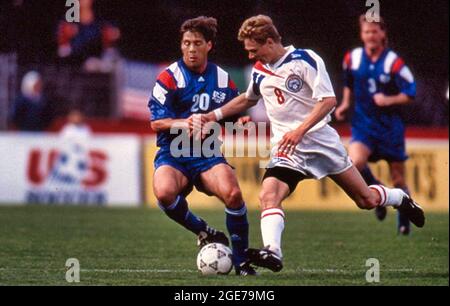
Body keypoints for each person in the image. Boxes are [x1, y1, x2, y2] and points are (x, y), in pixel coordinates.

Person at [201, 15, 425, 272]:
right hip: (288, 151)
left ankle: (400, 198)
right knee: (269, 195)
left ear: (270, 41)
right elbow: (248, 99)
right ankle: (273, 252)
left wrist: (299, 130)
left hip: (321, 144)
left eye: (254, 50)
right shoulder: (260, 71)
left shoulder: (306, 60)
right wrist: (215, 115)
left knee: (366, 200)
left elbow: (328, 101)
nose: (251, 57)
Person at [148, 16, 255, 275]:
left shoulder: (221, 78)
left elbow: (230, 116)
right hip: (174, 153)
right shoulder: (169, 77)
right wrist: (187, 123)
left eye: (197, 43)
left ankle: (241, 262)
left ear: (209, 45)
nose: (191, 49)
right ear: (181, 45)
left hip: (207, 154)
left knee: (233, 194)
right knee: (163, 192)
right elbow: (157, 124)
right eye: (186, 43)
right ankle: (203, 230)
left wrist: (240, 121)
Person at [334, 15, 416, 235]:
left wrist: (389, 99)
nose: (370, 35)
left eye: (374, 31)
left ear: (382, 34)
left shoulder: (393, 62)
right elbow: (349, 83)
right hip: (363, 125)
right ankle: (378, 195)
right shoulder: (352, 58)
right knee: (354, 163)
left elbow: (411, 92)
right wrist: (344, 104)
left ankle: (403, 219)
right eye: (366, 31)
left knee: (398, 179)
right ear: (361, 35)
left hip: (390, 129)